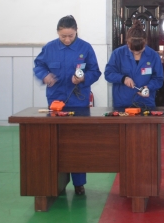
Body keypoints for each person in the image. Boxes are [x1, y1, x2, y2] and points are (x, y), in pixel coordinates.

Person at [33, 15, 102, 195]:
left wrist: (83, 78)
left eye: (70, 35)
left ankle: (79, 183)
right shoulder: (49, 48)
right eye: (63, 36)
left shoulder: (85, 48)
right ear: (58, 33)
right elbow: (38, 65)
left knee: (77, 142)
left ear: (76, 31)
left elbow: (95, 71)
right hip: (56, 101)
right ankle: (57, 182)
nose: (67, 39)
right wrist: (45, 76)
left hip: (78, 101)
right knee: (56, 141)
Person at [104, 20, 164, 108]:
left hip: (145, 103)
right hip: (123, 103)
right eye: (133, 51)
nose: (136, 53)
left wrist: (149, 87)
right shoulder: (118, 54)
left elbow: (158, 79)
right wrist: (123, 78)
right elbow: (108, 74)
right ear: (128, 44)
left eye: (140, 51)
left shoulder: (154, 56)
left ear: (145, 43)